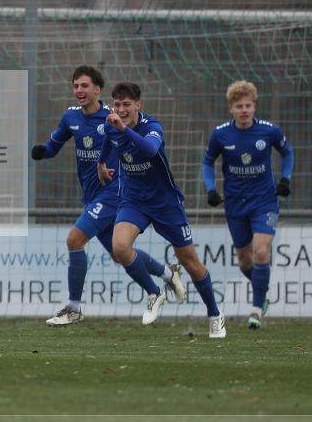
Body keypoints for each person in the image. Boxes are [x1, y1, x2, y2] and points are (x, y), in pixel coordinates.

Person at [32, 66, 185, 326]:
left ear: (97, 90)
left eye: (84, 86)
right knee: (119, 253)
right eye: (75, 86)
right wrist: (40, 152)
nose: (79, 91)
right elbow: (53, 146)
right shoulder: (71, 117)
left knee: (74, 239)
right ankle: (167, 274)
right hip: (92, 195)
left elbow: (134, 144)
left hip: (115, 193)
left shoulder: (113, 117)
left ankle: (74, 308)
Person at [98, 82, 225, 338]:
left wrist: (123, 129)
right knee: (119, 247)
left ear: (138, 105)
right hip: (133, 201)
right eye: (117, 104)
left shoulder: (152, 127)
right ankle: (154, 293)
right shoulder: (111, 128)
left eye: (126, 105)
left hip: (165, 204)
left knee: (191, 263)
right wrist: (101, 163)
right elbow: (108, 143)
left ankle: (214, 314)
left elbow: (149, 150)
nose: (121, 109)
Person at [202, 80, 293, 330]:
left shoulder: (269, 131)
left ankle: (256, 309)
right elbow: (207, 162)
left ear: (254, 106)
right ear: (231, 108)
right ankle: (262, 293)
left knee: (261, 251)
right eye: (239, 106)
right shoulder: (221, 134)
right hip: (235, 204)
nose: (244, 110)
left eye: (248, 105)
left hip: (265, 202)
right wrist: (211, 189)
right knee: (244, 260)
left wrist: (285, 179)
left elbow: (288, 153)